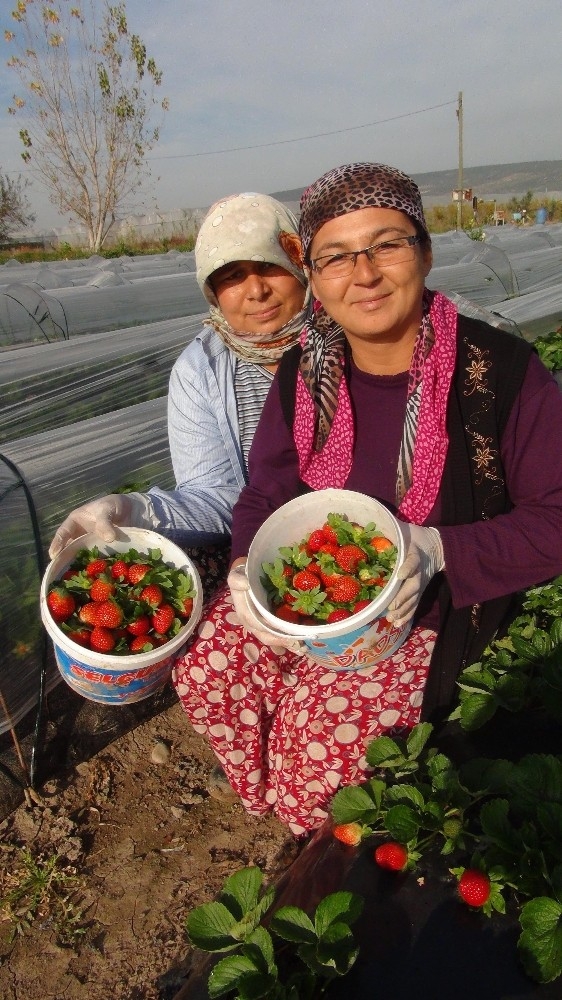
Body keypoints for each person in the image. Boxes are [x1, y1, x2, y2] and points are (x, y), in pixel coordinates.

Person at [173, 161, 562, 837]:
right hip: (320, 585)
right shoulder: (305, 369)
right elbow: (268, 487)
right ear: (313, 276)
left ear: (426, 252)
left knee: (316, 752)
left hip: (431, 605)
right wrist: (245, 566)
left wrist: (437, 548)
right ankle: (284, 820)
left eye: (387, 245)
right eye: (336, 257)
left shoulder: (497, 372)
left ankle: (318, 828)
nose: (364, 274)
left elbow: (555, 517)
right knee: (207, 666)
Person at [49, 192, 308, 596]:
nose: (256, 290)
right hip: (263, 548)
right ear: (212, 290)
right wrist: (136, 509)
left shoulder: (352, 339)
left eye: (268, 266)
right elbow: (218, 497)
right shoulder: (201, 369)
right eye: (232, 276)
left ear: (299, 262)